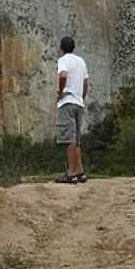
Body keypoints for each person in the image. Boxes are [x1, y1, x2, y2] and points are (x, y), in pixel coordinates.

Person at [55, 36, 88, 184]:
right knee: (77, 140)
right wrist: (82, 97)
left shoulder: (63, 60)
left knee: (69, 139)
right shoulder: (81, 61)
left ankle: (71, 173)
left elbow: (63, 75)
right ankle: (80, 171)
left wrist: (61, 91)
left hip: (67, 101)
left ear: (61, 48)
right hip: (79, 102)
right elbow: (85, 81)